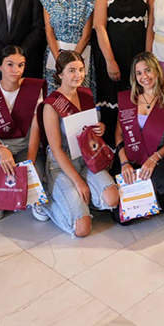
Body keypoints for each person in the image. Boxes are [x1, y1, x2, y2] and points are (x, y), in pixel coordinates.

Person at [41, 50, 119, 237]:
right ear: (60, 74)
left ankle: (78, 201)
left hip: (85, 158)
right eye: (72, 70)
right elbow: (57, 149)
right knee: (82, 229)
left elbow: (88, 130)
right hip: (61, 164)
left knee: (112, 199)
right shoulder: (51, 105)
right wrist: (78, 182)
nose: (78, 75)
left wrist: (99, 127)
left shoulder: (85, 95)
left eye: (81, 70)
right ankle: (46, 202)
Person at [0, 45, 46, 222]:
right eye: (10, 64)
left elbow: (36, 129)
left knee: (34, 172)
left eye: (20, 65)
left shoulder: (33, 89)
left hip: (26, 145)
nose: (16, 70)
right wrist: (2, 150)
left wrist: (29, 162)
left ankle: (35, 198)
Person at [92, 0, 151, 144]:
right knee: (114, 102)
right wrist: (110, 60)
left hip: (138, 53)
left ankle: (136, 147)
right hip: (113, 52)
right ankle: (113, 153)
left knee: (137, 98)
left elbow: (152, 22)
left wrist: (149, 56)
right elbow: (99, 26)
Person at [115, 52, 164, 215]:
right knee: (119, 217)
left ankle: (155, 194)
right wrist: (124, 163)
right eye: (139, 73)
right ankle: (148, 197)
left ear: (157, 71)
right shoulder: (128, 100)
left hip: (157, 154)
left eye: (148, 70)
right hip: (131, 154)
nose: (144, 76)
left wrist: (154, 159)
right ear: (134, 77)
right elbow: (119, 135)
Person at [40, 0, 95, 93]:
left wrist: (72, 62)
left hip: (81, 57)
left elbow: (86, 34)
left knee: (80, 100)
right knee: (55, 100)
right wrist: (61, 61)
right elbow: (49, 31)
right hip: (55, 56)